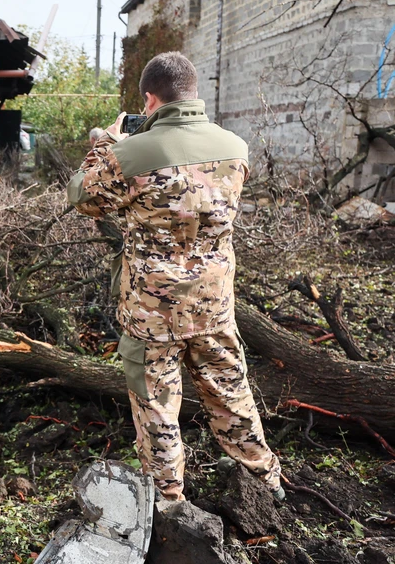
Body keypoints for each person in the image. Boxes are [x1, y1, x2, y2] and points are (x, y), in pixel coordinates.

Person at [67, 52, 283, 502]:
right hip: (214, 301)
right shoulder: (236, 147)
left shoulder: (131, 153)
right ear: (193, 91)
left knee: (158, 407)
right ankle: (266, 482)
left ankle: (168, 502)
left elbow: (83, 197)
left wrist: (105, 144)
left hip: (153, 311)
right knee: (231, 392)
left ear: (149, 99)